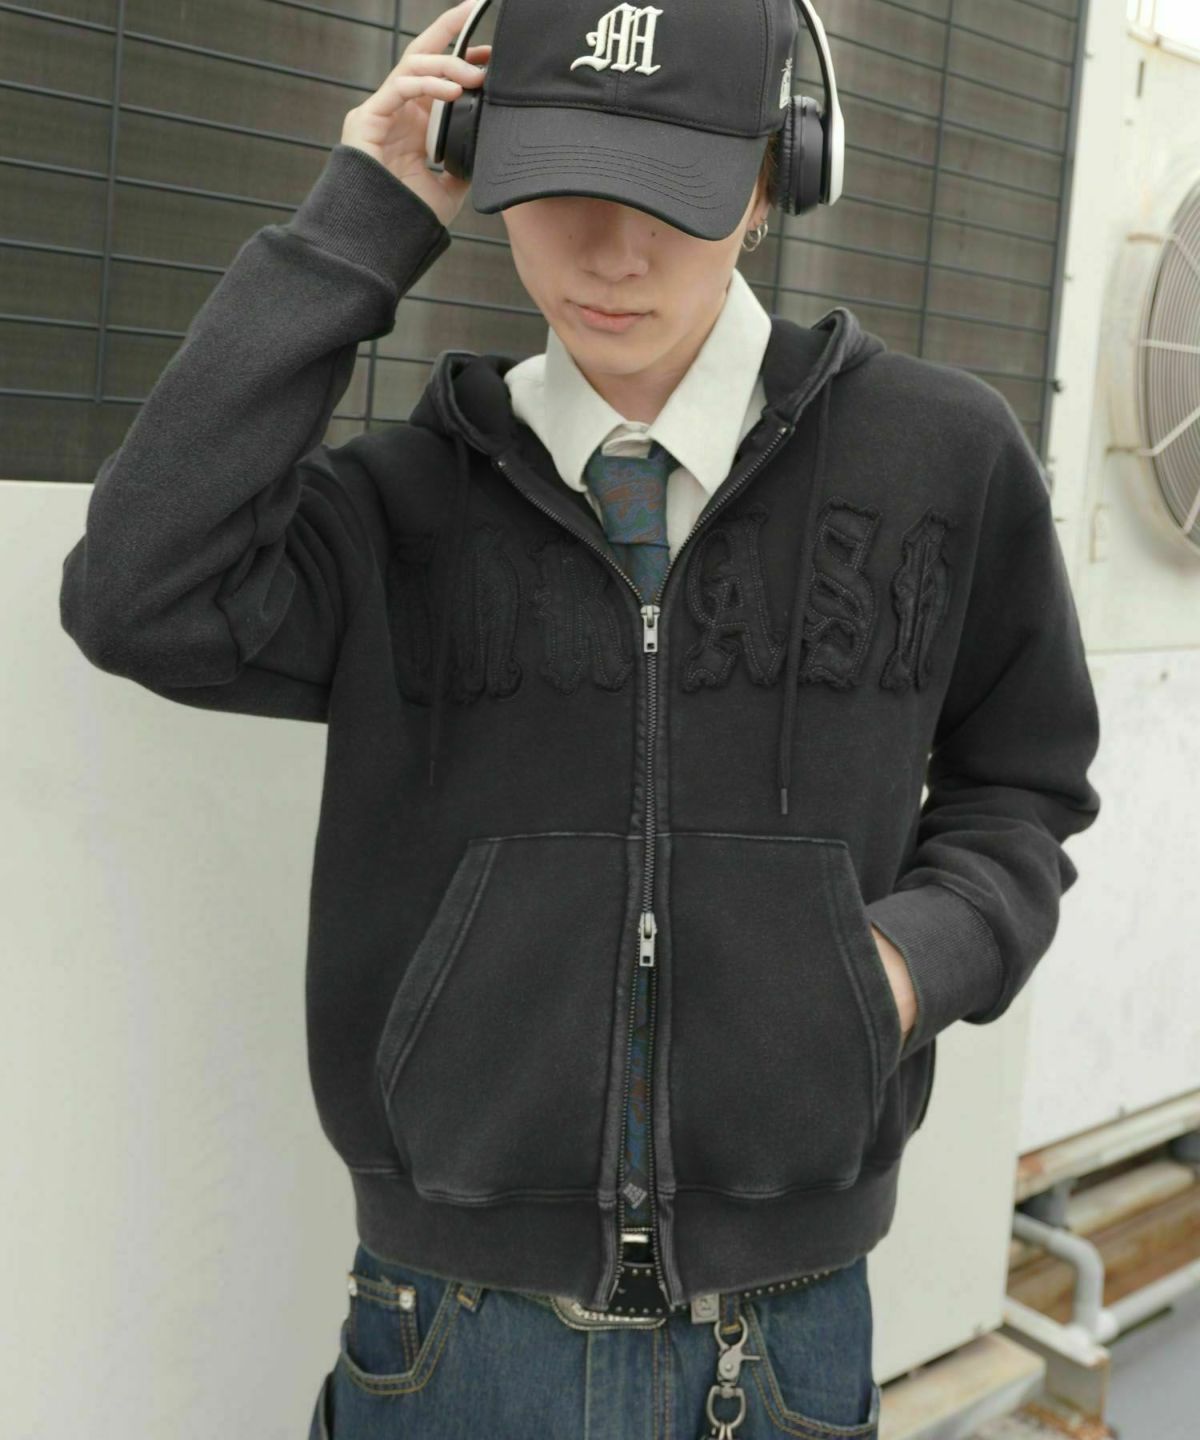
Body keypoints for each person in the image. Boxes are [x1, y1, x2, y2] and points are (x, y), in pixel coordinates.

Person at [58, 0, 1102, 1435]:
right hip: (445, 1336)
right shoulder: (397, 509)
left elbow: (1023, 784)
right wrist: (363, 216)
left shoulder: (943, 460)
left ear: (776, 176)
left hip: (781, 1341)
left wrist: (900, 971)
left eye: (672, 194)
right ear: (480, 158)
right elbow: (135, 596)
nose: (613, 254)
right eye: (562, 186)